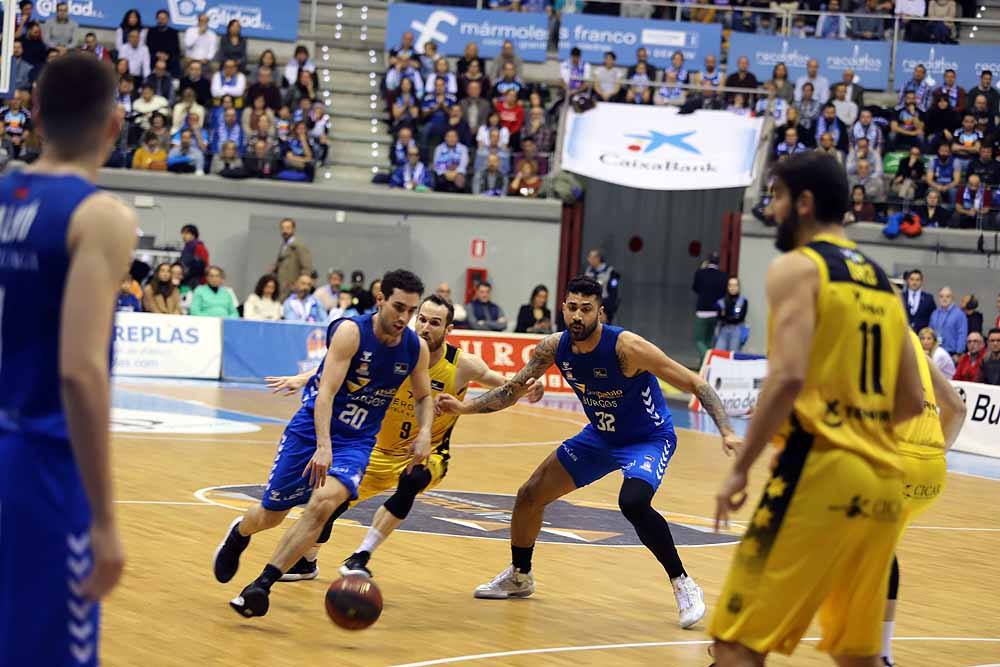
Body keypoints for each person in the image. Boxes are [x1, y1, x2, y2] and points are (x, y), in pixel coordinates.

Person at [710, 152, 924, 666]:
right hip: (883, 482)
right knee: (858, 656)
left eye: (779, 196)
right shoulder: (882, 281)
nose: (774, 208)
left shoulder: (797, 269)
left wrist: (739, 469)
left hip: (819, 472)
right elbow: (912, 400)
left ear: (804, 203)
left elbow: (786, 377)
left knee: (735, 642)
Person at [439, 276, 741, 628]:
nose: (577, 316)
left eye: (586, 309)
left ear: (600, 311)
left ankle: (683, 583)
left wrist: (727, 430)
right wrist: (465, 409)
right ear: (562, 308)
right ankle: (520, 577)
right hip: (601, 437)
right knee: (529, 495)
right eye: (571, 308)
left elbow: (696, 383)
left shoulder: (627, 347)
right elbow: (511, 389)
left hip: (647, 439)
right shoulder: (554, 347)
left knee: (633, 503)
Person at [0, 53, 134, 667]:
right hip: (42, 465)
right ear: (115, 123)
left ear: (34, 113)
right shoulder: (98, 216)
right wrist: (105, 519)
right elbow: (81, 370)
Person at [212, 270, 431, 618]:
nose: (405, 318)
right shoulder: (350, 332)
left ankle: (261, 585)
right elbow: (325, 392)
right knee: (271, 515)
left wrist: (424, 432)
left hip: (357, 441)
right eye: (398, 307)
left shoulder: (414, 348)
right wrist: (323, 446)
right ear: (380, 300)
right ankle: (239, 533)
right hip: (311, 432)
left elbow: (422, 396)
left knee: (323, 503)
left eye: (412, 310)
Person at [881, 326, 965, 667]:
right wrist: (930, 456)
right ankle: (883, 653)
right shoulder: (914, 340)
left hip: (895, 461)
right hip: (932, 471)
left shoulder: (862, 332)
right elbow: (957, 409)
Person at [692, 252, 727, 357]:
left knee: (699, 339)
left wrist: (701, 268)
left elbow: (695, 288)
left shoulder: (700, 273)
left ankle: (707, 359)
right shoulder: (723, 275)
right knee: (708, 340)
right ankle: (703, 365)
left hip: (702, 311)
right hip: (715, 311)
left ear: (707, 261)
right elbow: (724, 293)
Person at [272, 218, 314, 300]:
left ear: (293, 229)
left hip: (293, 291)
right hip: (281, 289)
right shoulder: (283, 246)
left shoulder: (299, 246)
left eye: (288, 228)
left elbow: (307, 268)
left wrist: (300, 285)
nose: (285, 231)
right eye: (283, 228)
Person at [929, 286, 967, 358]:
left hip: (952, 353)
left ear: (952, 298)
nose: (944, 299)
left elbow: (962, 334)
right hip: (935, 351)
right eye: (941, 296)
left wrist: (958, 353)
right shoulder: (934, 313)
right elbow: (930, 332)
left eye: (948, 296)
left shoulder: (959, 314)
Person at [584, 249, 621, 323]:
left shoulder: (609, 271)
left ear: (598, 258)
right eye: (589, 258)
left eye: (592, 258)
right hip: (590, 302)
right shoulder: (588, 271)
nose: (589, 260)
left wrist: (608, 310)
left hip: (605, 303)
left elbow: (613, 291)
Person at [714, 277, 748, 351]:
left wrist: (727, 317)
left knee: (734, 353)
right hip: (723, 330)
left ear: (738, 287)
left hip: (737, 330)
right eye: (731, 285)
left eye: (735, 285)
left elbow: (740, 317)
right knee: (719, 352)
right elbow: (720, 317)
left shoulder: (743, 301)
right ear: (728, 287)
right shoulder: (721, 301)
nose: (733, 288)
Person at [146, 9, 180, 78]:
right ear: (156, 19)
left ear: (167, 20)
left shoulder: (173, 33)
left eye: (164, 18)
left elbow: (176, 48)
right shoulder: (151, 31)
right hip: (155, 57)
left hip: (169, 58)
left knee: (175, 60)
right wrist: (157, 54)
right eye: (159, 18)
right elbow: (149, 46)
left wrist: (167, 56)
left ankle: (175, 81)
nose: (161, 20)